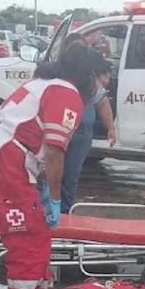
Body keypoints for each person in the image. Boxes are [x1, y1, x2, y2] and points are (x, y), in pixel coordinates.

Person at [0, 43, 113, 289]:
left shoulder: (47, 83)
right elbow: (56, 153)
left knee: (31, 230)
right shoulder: (66, 94)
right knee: (30, 236)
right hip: (7, 161)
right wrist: (56, 197)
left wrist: (43, 187)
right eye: (101, 83)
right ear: (88, 75)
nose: (101, 92)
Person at [55, 33, 117, 214]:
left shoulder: (89, 79)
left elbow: (103, 103)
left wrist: (110, 128)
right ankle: (48, 206)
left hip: (81, 134)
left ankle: (64, 211)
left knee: (71, 176)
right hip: (57, 132)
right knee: (50, 171)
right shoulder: (54, 73)